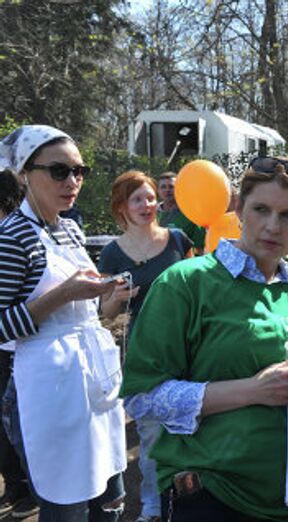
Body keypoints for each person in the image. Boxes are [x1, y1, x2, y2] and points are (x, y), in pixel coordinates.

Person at [120, 156, 288, 521]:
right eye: (261, 209)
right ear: (239, 208)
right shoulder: (185, 283)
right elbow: (142, 398)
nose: (272, 226)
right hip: (214, 497)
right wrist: (254, 390)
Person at [0, 125, 127, 520]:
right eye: (59, 171)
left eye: (79, 170)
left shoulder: (69, 228)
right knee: (66, 500)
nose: (72, 181)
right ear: (24, 174)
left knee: (111, 496)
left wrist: (111, 297)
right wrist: (64, 295)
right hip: (48, 387)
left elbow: (86, 314)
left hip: (93, 381)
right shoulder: (12, 236)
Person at [97, 170, 193, 522]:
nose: (147, 204)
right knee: (151, 433)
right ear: (122, 206)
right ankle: (153, 506)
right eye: (138, 198)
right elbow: (104, 315)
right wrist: (116, 298)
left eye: (151, 197)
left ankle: (190, 502)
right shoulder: (111, 253)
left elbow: (196, 289)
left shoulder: (178, 240)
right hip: (144, 351)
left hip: (187, 347)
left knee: (189, 427)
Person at [0, 170, 39, 519]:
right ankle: (18, 485)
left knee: (15, 422)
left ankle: (28, 487)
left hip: (18, 350)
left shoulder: (14, 234)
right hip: (13, 347)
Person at [156, 171, 206, 252]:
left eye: (171, 187)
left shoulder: (191, 214)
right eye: (163, 187)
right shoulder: (150, 213)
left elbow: (199, 248)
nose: (167, 190)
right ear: (158, 190)